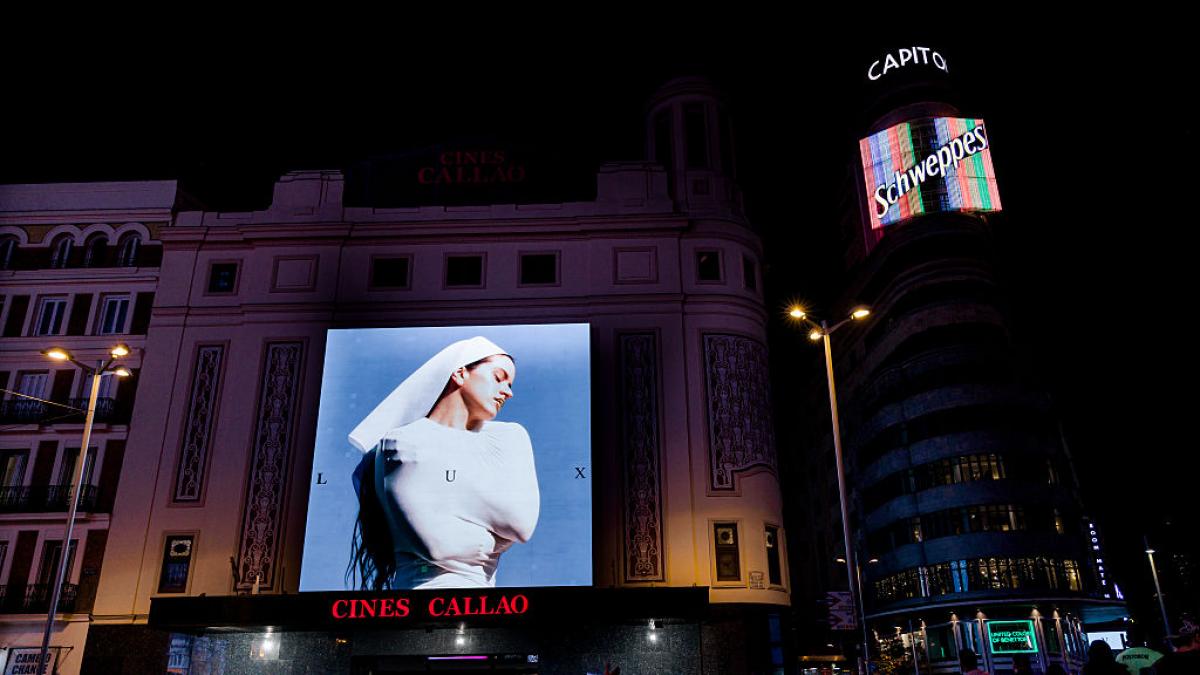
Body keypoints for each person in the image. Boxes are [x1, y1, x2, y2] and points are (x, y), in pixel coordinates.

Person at [346, 336, 540, 590]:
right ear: (460, 374)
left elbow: (521, 524)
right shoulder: (402, 442)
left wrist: (443, 490)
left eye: (510, 383)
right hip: (415, 605)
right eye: (498, 377)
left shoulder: (508, 436)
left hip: (487, 608)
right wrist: (494, 526)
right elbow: (439, 547)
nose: (509, 392)